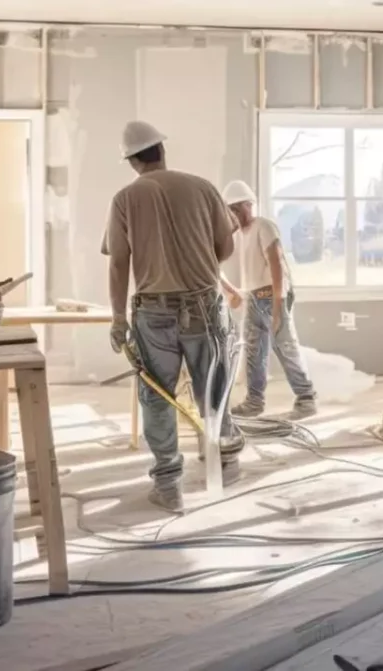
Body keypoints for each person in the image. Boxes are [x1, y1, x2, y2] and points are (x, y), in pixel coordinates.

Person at [104, 121, 241, 513]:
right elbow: (225, 250)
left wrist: (117, 319)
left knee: (157, 396)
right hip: (204, 308)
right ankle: (224, 465)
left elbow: (118, 263)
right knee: (212, 388)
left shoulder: (125, 198)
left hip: (154, 312)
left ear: (132, 160)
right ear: (162, 150)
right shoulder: (203, 188)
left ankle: (168, 485)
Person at [218, 180, 317, 420]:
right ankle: (254, 401)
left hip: (272, 294)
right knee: (254, 351)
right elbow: (214, 258)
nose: (235, 215)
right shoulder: (239, 234)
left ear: (249, 206)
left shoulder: (264, 226)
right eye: (230, 210)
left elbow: (276, 263)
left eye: (238, 209)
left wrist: (277, 304)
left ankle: (306, 399)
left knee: (284, 346)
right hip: (254, 297)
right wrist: (232, 290)